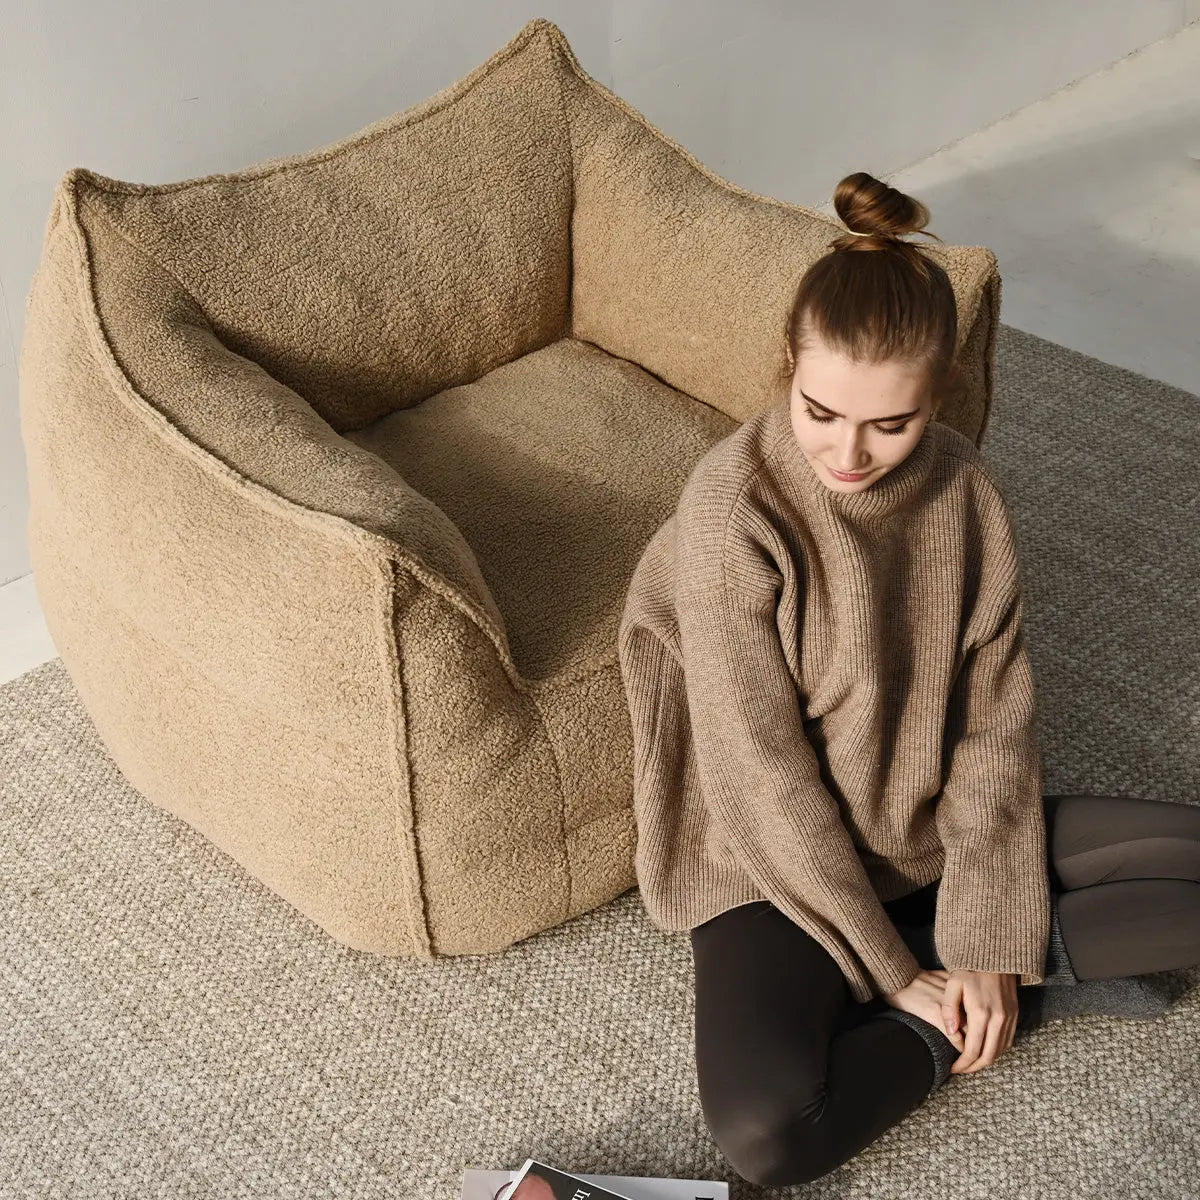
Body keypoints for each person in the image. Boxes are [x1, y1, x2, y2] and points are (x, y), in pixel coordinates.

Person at [615, 170, 1200, 1188]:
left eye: (892, 425)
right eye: (821, 411)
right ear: (788, 368)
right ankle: (1026, 982)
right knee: (767, 1135)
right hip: (764, 864)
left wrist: (981, 930)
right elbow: (761, 780)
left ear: (938, 399)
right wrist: (902, 977)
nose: (850, 451)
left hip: (917, 819)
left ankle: (999, 960)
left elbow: (993, 729)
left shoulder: (966, 491)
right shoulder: (731, 512)